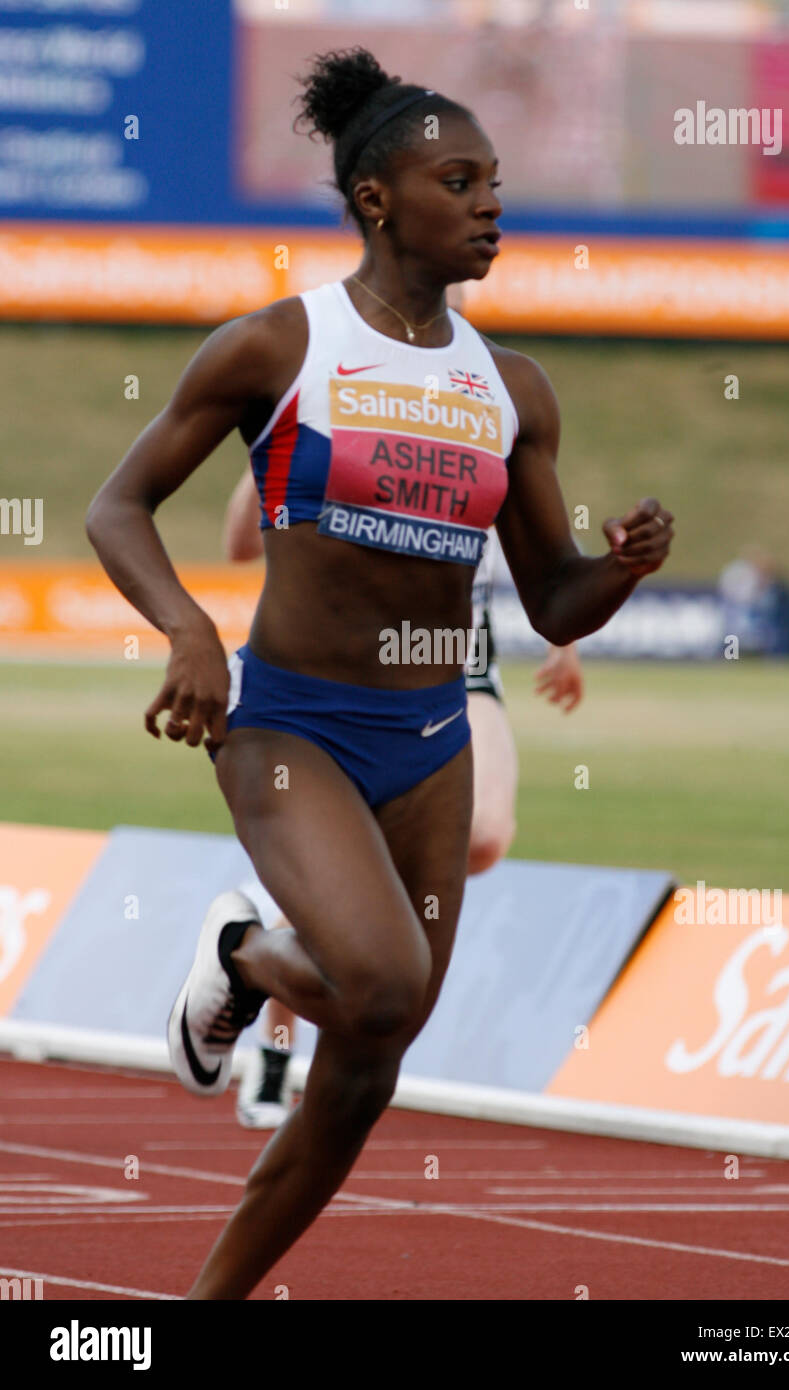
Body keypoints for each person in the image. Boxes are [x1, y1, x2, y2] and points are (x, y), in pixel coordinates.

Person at [86, 47, 674, 1300]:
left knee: (372, 1052)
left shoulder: (510, 388)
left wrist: (619, 568)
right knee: (380, 979)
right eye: (456, 181)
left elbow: (553, 590)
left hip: (429, 742)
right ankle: (243, 949)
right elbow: (118, 506)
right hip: (286, 721)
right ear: (374, 198)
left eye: (494, 183)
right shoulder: (276, 347)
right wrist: (190, 632)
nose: (487, 205)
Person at [223, 473, 584, 1128]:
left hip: (461, 670)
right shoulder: (341, 431)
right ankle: (275, 1050)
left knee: (485, 837)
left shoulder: (482, 432)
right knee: (348, 886)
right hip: (356, 679)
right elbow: (240, 547)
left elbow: (552, 561)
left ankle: (313, 915)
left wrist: (565, 642)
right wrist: (261, 458)